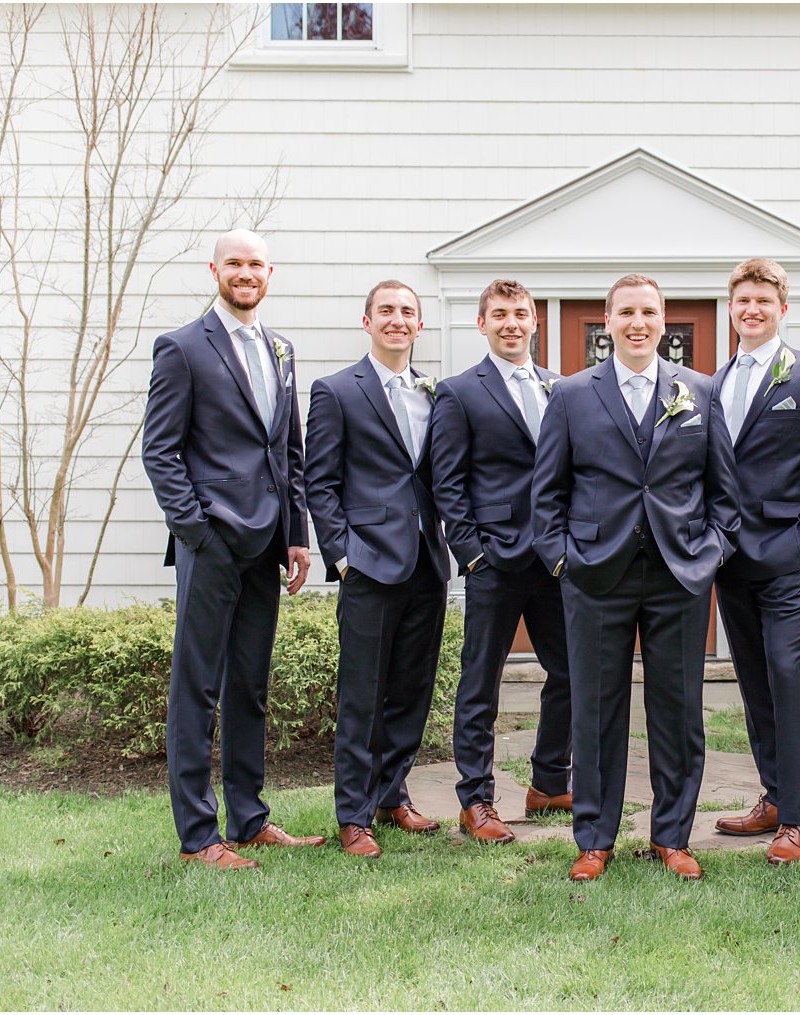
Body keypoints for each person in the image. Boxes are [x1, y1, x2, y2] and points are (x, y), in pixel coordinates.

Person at [531, 273, 740, 882]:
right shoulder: (571, 394)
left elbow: (723, 491)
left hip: (679, 574)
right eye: (626, 312)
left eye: (648, 311)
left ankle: (672, 836)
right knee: (596, 710)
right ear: (608, 320)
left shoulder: (698, 391)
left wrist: (711, 552)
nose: (638, 322)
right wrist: (563, 559)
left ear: (664, 319)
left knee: (679, 711)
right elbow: (548, 492)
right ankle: (594, 838)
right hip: (596, 574)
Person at [141, 229, 321, 869]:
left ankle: (249, 819)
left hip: (269, 543)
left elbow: (289, 450)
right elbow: (160, 453)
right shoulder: (184, 349)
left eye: (255, 265)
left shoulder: (282, 348)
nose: (245, 274)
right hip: (212, 542)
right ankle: (197, 835)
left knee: (248, 685)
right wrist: (197, 533)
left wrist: (297, 534)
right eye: (234, 264)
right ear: (215, 270)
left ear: (269, 272)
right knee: (198, 688)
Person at [709, 258, 800, 865]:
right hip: (729, 559)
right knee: (754, 682)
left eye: (763, 302)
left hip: (791, 558)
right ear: (732, 308)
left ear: (782, 309)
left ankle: (797, 818)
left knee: (788, 676)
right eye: (742, 301)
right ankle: (772, 796)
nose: (752, 310)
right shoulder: (711, 383)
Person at [304, 280, 451, 859]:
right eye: (386, 311)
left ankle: (393, 796)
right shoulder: (337, 391)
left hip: (426, 562)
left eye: (407, 312)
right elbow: (320, 482)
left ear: (420, 325)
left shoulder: (434, 394)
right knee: (363, 693)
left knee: (411, 689)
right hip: (366, 562)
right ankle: (354, 815)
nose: (398, 320)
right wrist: (341, 556)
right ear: (367, 322)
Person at [429, 279, 572, 844]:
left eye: (520, 314)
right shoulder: (459, 392)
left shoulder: (562, 388)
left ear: (534, 321)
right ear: (481, 324)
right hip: (493, 559)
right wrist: (472, 555)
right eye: (499, 315)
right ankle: (477, 800)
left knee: (569, 674)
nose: (511, 324)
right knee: (480, 679)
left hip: (555, 561)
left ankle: (549, 780)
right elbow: (447, 481)